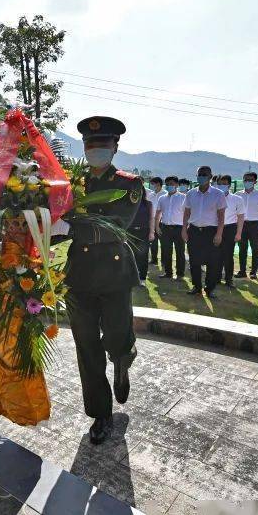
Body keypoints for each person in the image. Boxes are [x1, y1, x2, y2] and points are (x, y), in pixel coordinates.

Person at [65, 115, 143, 444]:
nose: (96, 149)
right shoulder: (70, 183)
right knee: (87, 348)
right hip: (79, 275)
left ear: (115, 147)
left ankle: (122, 363)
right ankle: (101, 413)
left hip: (114, 275)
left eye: (102, 144)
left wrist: (69, 225)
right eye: (90, 145)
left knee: (117, 339)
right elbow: (57, 215)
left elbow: (115, 225)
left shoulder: (129, 183)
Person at [182, 166, 226, 298]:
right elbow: (186, 213)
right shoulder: (191, 193)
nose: (201, 177)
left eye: (204, 175)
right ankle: (197, 286)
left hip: (210, 232)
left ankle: (209, 288)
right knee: (194, 261)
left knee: (212, 262)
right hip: (194, 231)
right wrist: (184, 230)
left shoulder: (218, 194)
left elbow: (221, 216)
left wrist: (219, 234)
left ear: (210, 177)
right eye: (199, 175)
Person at [237, 172, 258, 279]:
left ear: (255, 182)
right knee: (242, 249)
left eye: (250, 180)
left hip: (255, 225)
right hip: (242, 225)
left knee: (256, 249)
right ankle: (242, 271)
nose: (247, 182)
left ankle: (253, 271)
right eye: (245, 179)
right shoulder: (238, 194)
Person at [216, 175, 245, 288]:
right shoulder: (213, 197)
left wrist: (238, 233)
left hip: (229, 229)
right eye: (220, 184)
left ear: (229, 185)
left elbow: (241, 217)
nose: (222, 186)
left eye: (224, 184)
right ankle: (216, 278)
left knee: (228, 255)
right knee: (215, 255)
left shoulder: (237, 199)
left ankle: (229, 279)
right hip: (215, 228)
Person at [155, 175, 186, 279]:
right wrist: (157, 227)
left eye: (171, 184)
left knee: (180, 252)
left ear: (177, 185)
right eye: (167, 184)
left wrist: (185, 229)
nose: (169, 186)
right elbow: (158, 213)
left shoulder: (183, 197)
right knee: (166, 252)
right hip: (165, 228)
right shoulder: (162, 198)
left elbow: (188, 214)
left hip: (179, 228)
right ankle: (168, 273)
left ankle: (180, 274)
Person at [128, 183, 153, 285]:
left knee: (142, 255)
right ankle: (131, 277)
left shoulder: (148, 204)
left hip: (143, 231)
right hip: (130, 231)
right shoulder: (128, 203)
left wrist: (152, 232)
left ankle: (142, 278)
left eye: (139, 190)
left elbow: (151, 218)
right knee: (130, 254)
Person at [147, 177, 166, 268]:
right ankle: (154, 259)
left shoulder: (165, 194)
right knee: (153, 242)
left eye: (153, 184)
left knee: (164, 242)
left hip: (162, 222)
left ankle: (164, 261)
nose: (152, 186)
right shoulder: (150, 195)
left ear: (158, 184)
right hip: (152, 221)